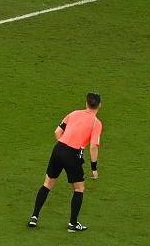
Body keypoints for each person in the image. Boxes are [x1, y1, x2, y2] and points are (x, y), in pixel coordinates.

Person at [28, 92, 103, 232]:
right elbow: (93, 146)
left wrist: (64, 147)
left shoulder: (73, 113)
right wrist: (94, 168)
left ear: (86, 103)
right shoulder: (96, 123)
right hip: (72, 154)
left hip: (58, 149)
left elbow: (57, 132)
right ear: (99, 105)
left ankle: (34, 217)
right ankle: (73, 224)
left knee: (47, 184)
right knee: (79, 188)